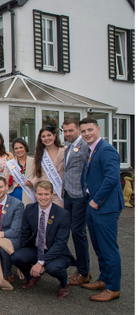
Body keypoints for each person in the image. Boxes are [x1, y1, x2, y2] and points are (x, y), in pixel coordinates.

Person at [79, 117, 124, 302]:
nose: (87, 134)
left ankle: (113, 288)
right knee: (98, 246)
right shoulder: (93, 150)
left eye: (90, 130)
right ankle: (104, 279)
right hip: (94, 204)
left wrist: (96, 200)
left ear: (98, 129)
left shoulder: (106, 150)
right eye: (83, 131)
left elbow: (112, 178)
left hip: (104, 206)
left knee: (108, 248)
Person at [10, 181, 75, 298]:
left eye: (46, 194)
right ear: (35, 194)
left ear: (52, 194)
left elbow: (61, 243)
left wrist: (41, 262)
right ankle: (33, 276)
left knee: (52, 268)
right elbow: (25, 233)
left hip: (56, 251)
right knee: (16, 257)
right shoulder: (30, 208)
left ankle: (65, 282)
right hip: (36, 248)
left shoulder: (62, 214)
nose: (43, 197)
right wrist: (24, 253)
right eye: (40, 194)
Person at [62, 117, 91, 287]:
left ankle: (83, 272)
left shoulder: (86, 146)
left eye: (71, 130)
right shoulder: (69, 148)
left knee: (79, 233)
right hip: (69, 195)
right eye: (65, 131)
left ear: (78, 130)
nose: (67, 134)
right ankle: (83, 268)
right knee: (73, 233)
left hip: (80, 195)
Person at [26, 126, 66, 208]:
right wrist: (31, 183)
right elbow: (38, 175)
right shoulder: (40, 154)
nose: (46, 138)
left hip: (59, 193)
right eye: (43, 136)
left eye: (49, 135)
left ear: (54, 136)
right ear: (40, 139)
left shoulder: (65, 150)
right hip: (44, 193)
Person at [8, 138, 35, 206]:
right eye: (16, 148)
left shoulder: (34, 162)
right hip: (14, 192)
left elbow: (38, 176)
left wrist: (32, 182)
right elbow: (5, 177)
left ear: (25, 148)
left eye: (21, 147)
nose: (19, 150)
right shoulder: (9, 164)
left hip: (29, 192)